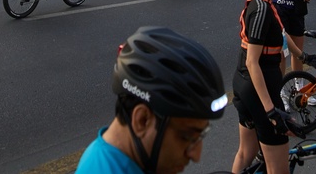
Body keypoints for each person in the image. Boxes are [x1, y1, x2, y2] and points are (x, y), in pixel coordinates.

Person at [75, 26, 227, 174]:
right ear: (142, 120)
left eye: (201, 135)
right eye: (186, 137)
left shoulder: (108, 155)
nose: (196, 155)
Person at [232, 0, 293, 174]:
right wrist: (271, 110)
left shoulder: (264, 2)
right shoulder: (261, 9)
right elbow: (252, 61)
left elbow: (281, 36)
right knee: (278, 169)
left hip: (247, 86)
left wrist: (304, 56)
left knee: (246, 153)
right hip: (259, 90)